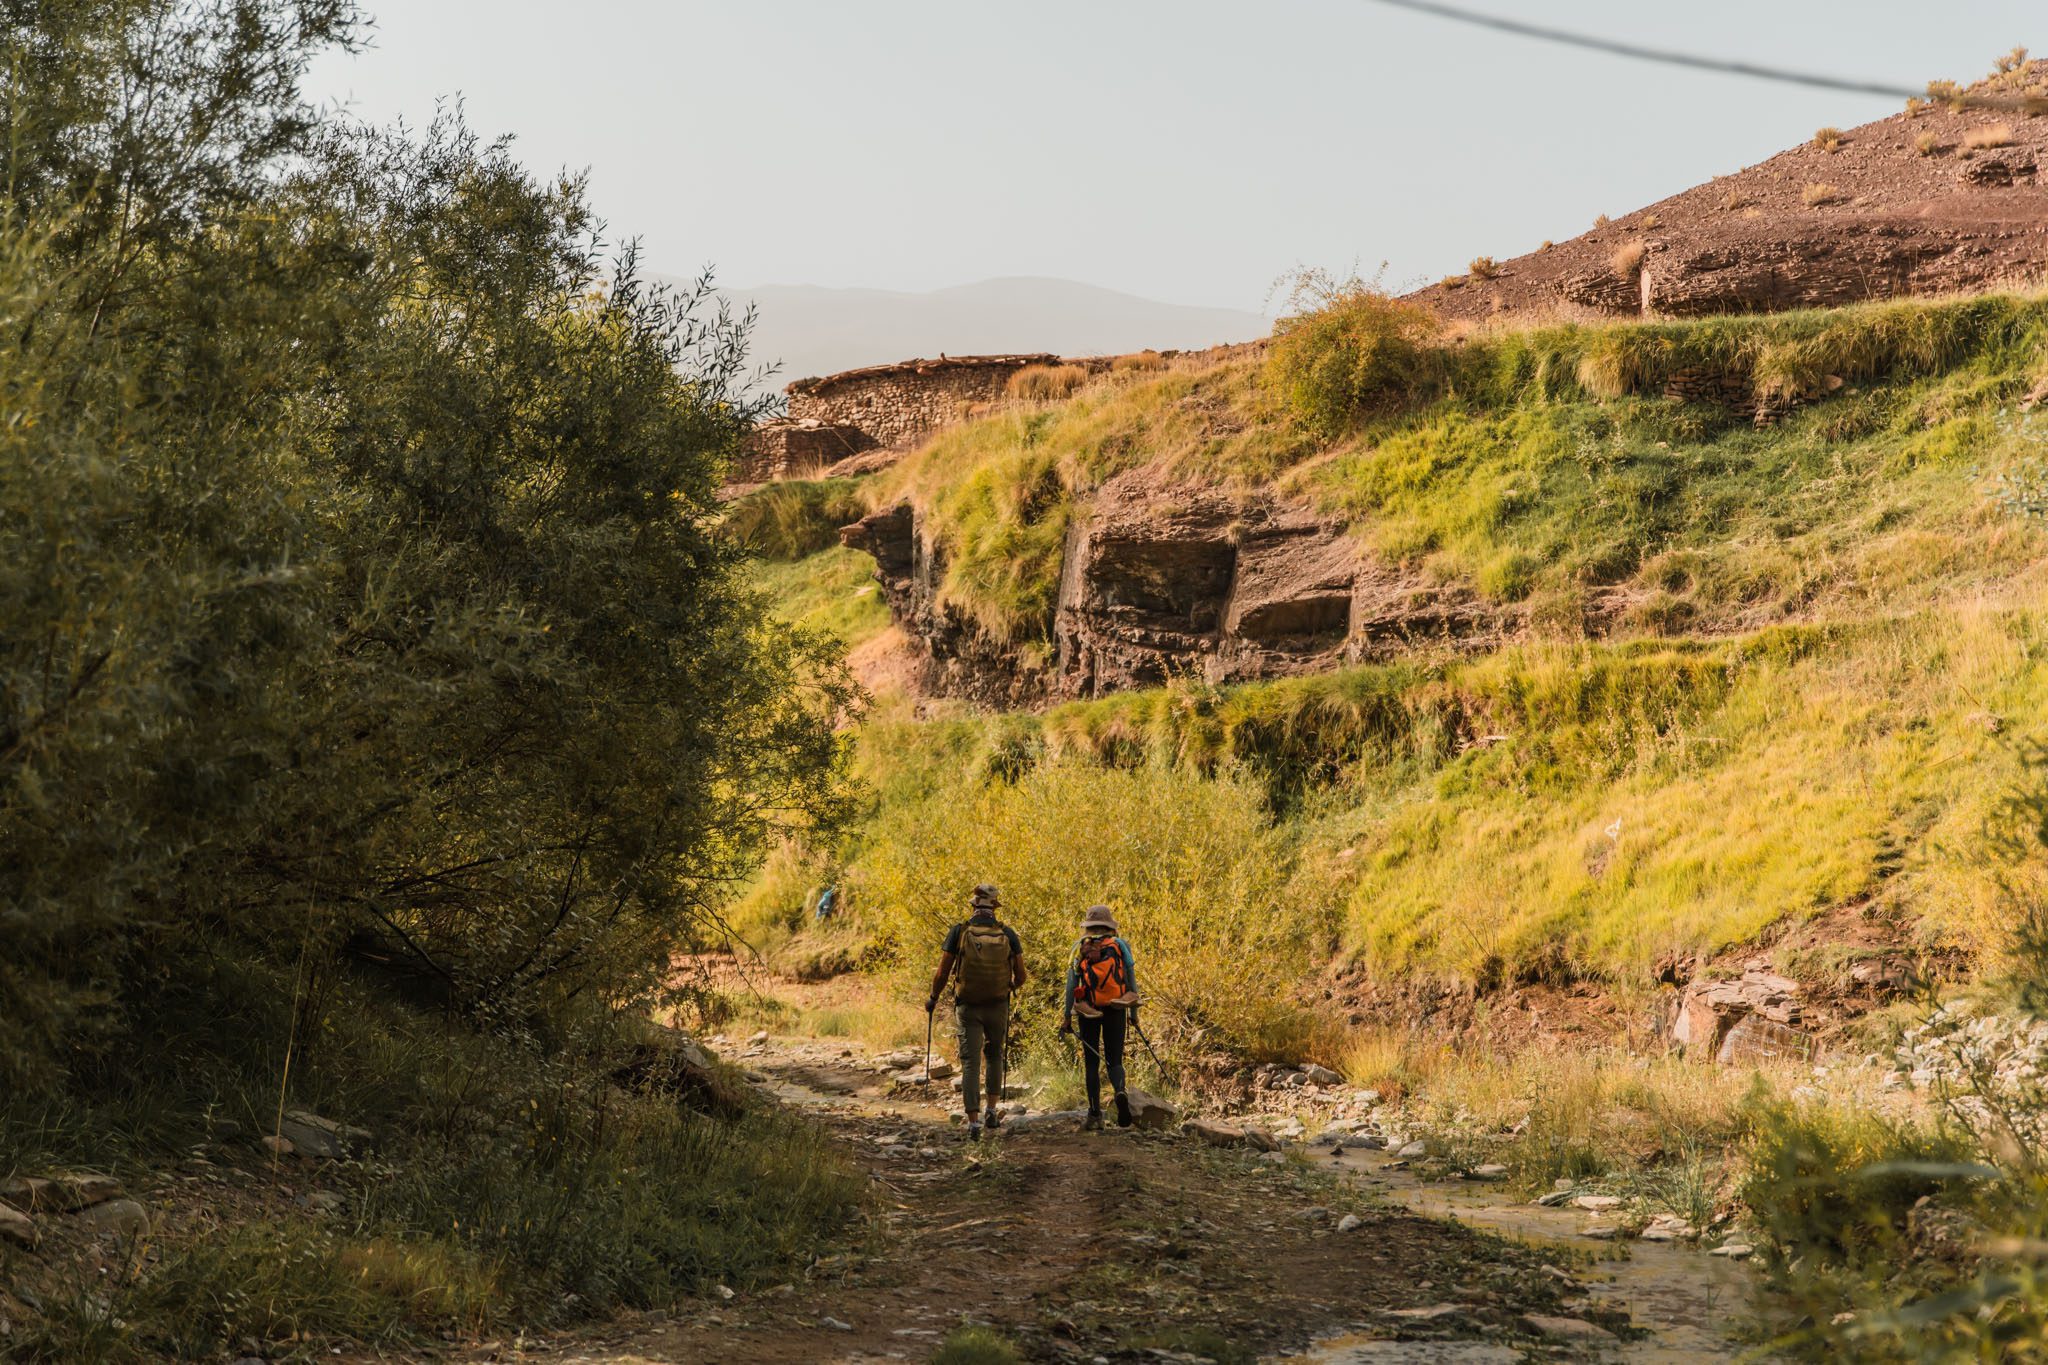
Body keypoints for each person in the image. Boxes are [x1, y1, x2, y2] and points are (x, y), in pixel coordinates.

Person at [926, 883, 1025, 1139]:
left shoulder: (959, 931)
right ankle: (991, 1111)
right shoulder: (1008, 933)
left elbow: (942, 972)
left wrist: (933, 998)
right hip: (998, 1004)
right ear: (995, 907)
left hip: (968, 1005)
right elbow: (1022, 976)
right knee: (994, 1055)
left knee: (970, 1062)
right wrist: (1008, 987)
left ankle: (973, 1123)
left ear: (973, 906)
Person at [1060, 904, 1138, 1131]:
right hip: (1117, 1005)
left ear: (1088, 925)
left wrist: (1067, 1016)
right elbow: (1131, 979)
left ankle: (1094, 1114)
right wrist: (1133, 1013)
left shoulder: (1079, 947)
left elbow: (1071, 985)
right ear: (1109, 924)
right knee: (1115, 1059)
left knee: (1091, 1062)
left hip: (1088, 1009)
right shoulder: (1120, 945)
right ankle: (1120, 1090)